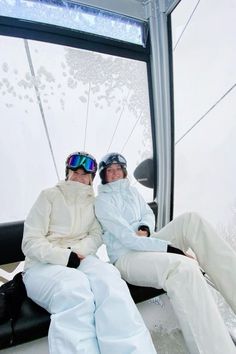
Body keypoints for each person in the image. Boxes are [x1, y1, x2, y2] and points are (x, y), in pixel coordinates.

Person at [95, 152, 236, 354]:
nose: (115, 173)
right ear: (104, 175)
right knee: (182, 268)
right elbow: (126, 238)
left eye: (118, 169)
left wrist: (145, 226)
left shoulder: (132, 193)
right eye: (110, 171)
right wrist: (171, 249)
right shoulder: (103, 202)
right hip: (127, 257)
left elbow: (146, 214)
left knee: (191, 221)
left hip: (147, 243)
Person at [22, 151, 157, 354]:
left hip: (81, 257)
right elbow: (31, 241)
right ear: (67, 173)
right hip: (42, 264)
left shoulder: (94, 203)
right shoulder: (48, 196)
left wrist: (76, 253)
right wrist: (63, 256)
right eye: (75, 171)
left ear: (91, 179)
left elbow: (96, 235)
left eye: (85, 174)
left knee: (109, 279)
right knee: (73, 289)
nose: (79, 176)